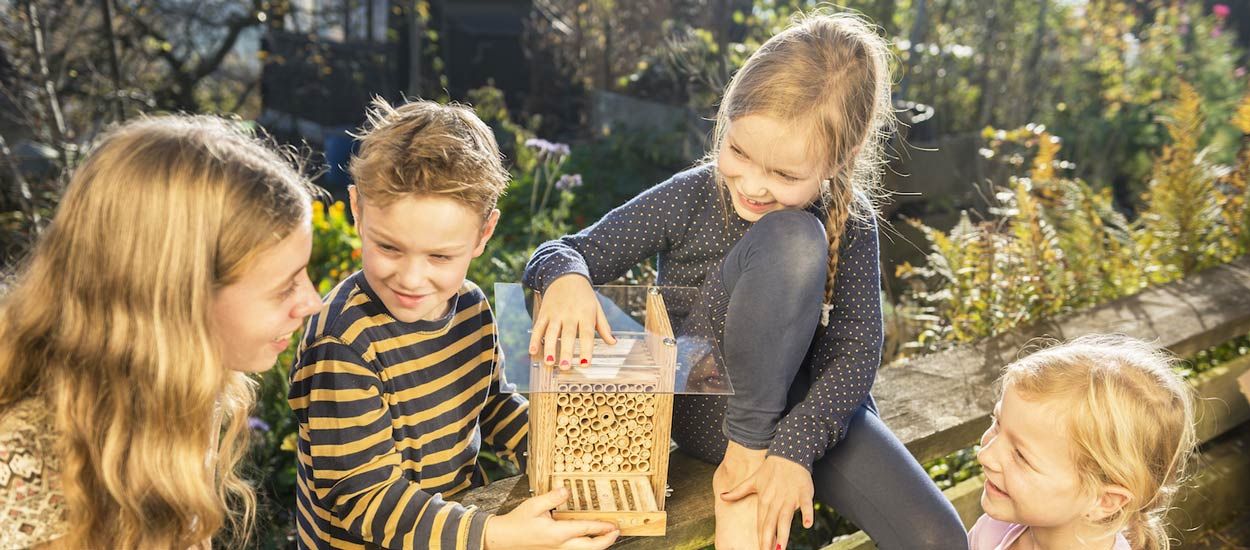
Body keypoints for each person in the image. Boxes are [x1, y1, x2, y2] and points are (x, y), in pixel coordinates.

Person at [524, 10, 966, 550]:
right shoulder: (691, 195)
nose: (753, 185)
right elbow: (564, 250)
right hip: (708, 404)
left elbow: (854, 350)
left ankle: (758, 459)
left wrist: (794, 449)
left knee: (940, 539)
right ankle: (742, 468)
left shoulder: (854, 220)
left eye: (784, 174)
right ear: (726, 120)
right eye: (738, 151)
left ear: (840, 158)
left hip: (805, 415)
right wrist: (568, 278)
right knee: (793, 240)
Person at [288, 98, 620, 550]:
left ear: (483, 234)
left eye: (440, 257)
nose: (410, 277)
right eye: (389, 248)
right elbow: (365, 499)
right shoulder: (342, 341)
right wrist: (497, 536)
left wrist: (558, 455)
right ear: (358, 210)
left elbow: (494, 405)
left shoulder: (470, 309)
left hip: (458, 532)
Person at [0, 115, 321, 548]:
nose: (312, 302)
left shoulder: (177, 391)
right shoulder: (26, 466)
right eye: (285, 286)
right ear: (177, 303)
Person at [971, 334, 1197, 550]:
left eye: (1020, 455)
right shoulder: (994, 527)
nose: (985, 455)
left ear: (1104, 501)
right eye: (997, 423)